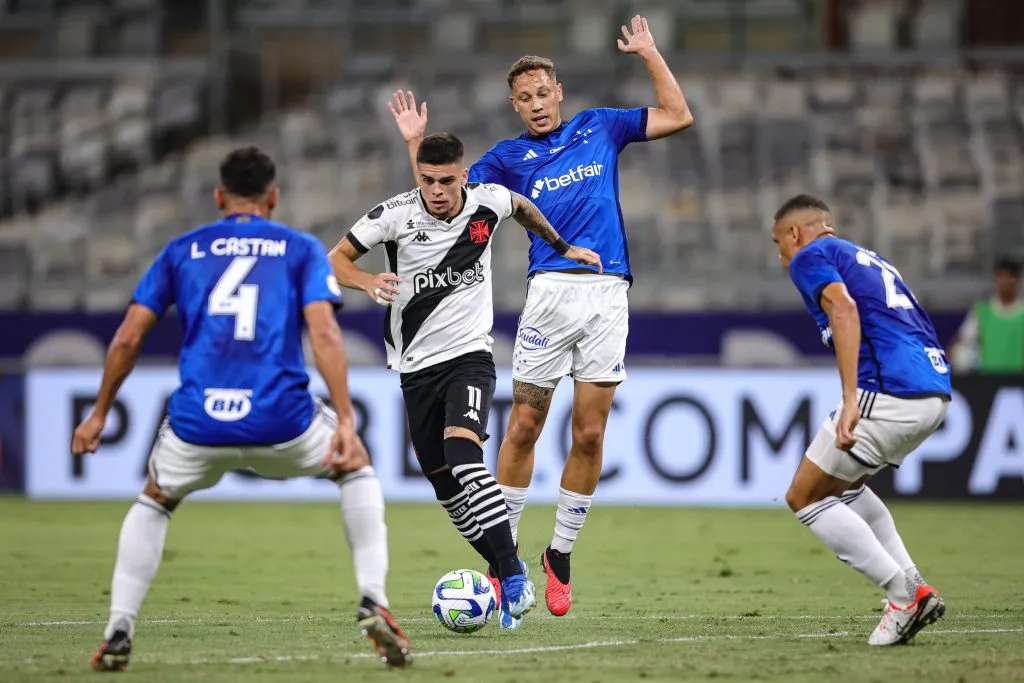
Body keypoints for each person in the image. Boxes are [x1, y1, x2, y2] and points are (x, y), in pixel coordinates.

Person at [387, 14, 693, 616]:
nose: (536, 104)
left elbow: (678, 115)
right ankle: (506, 562)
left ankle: (560, 555)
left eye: (543, 93)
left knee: (590, 433)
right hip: (548, 295)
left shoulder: (599, 127)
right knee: (524, 425)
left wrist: (650, 54)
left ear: (559, 93)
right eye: (524, 98)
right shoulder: (506, 158)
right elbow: (439, 198)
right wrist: (412, 143)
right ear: (515, 106)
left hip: (608, 294)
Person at [73, 147, 410, 671]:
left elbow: (127, 339)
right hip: (282, 419)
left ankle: (119, 629)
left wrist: (98, 413)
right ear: (273, 197)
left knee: (155, 498)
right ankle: (373, 599)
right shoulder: (299, 249)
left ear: (218, 196)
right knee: (357, 468)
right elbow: (324, 335)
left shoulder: (182, 250)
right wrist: (346, 421)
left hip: (199, 424)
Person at [328, 133, 601, 630]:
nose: (437, 190)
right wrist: (366, 281)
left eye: (446, 181)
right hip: (415, 368)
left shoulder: (486, 201)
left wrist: (562, 247)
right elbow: (335, 260)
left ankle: (512, 577)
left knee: (462, 455)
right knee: (445, 485)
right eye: (427, 181)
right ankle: (506, 565)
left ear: (464, 176)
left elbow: (522, 206)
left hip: (470, 357)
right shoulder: (393, 215)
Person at [772, 195, 950, 646]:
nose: (781, 255)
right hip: (933, 391)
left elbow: (844, 309)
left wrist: (851, 398)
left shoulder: (810, 256)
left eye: (778, 243)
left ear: (795, 233)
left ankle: (903, 596)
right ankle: (913, 583)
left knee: (804, 496)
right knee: (846, 490)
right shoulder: (866, 258)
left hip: (889, 390)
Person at [951, 259, 1024, 373]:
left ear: (1017, 280)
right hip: (989, 380)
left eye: (1008, 277)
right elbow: (961, 341)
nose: (1004, 282)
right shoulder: (982, 311)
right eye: (1000, 276)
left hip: (1018, 380)